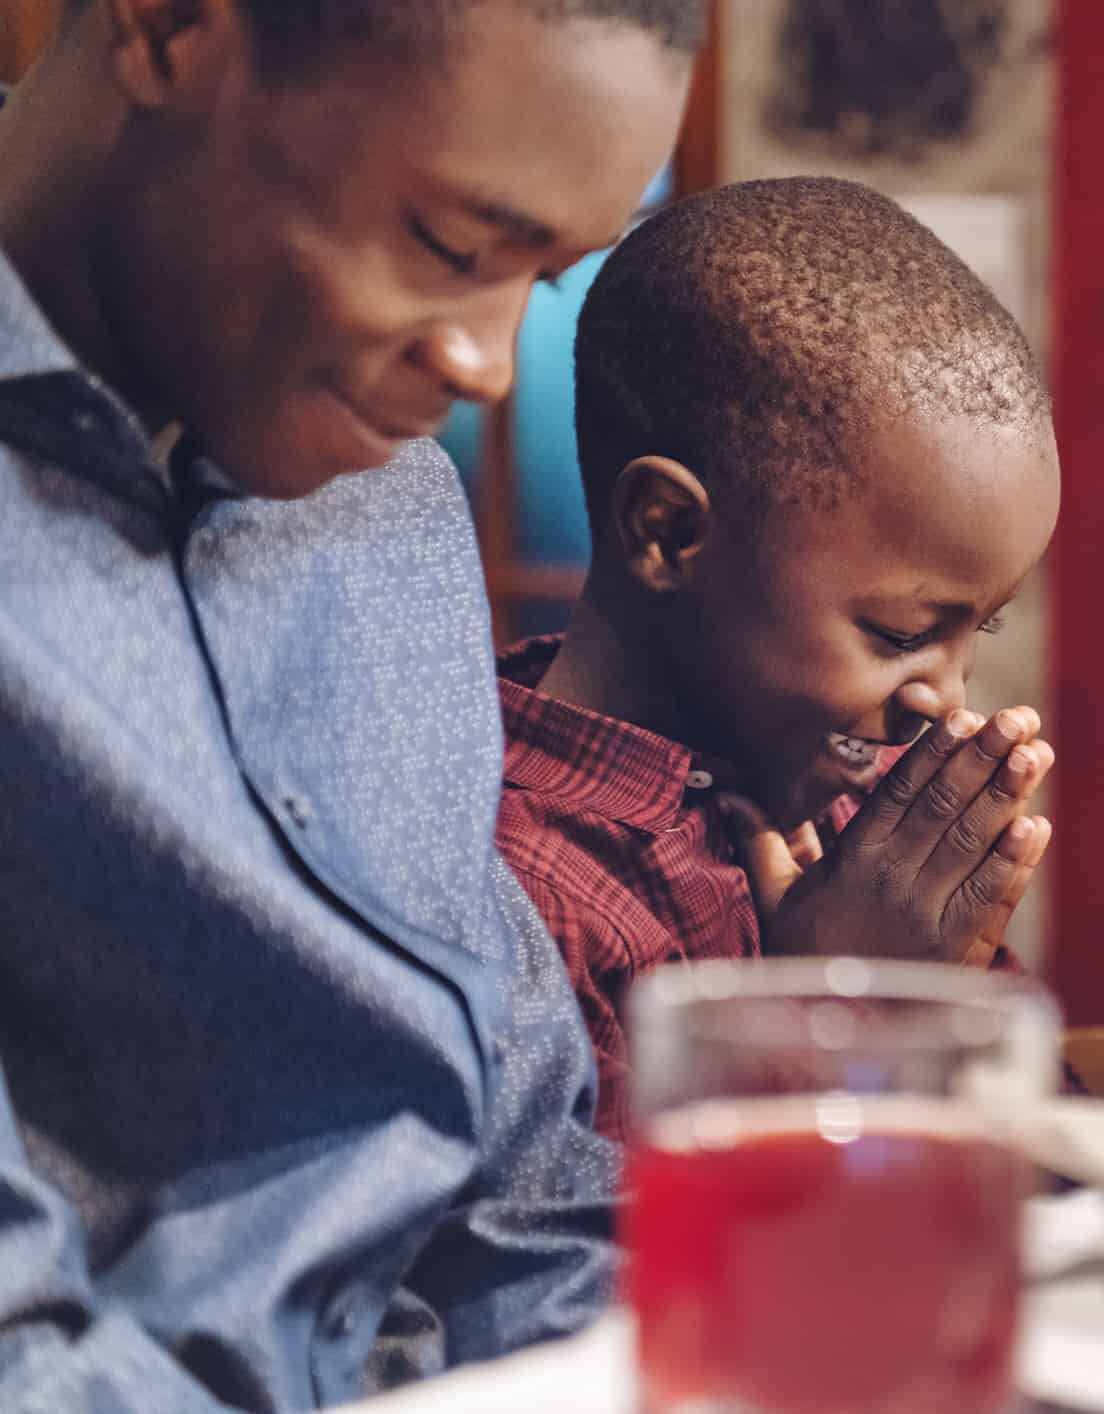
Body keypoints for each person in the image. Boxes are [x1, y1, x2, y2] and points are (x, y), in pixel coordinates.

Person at [0, 2, 704, 1408]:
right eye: (449, 248)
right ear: (171, 27)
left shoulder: (381, 504)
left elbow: (525, 1188)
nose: (487, 366)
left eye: (543, 280)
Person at [493, 178, 1061, 1135]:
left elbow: (1039, 1147)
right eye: (900, 635)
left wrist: (934, 993)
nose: (946, 697)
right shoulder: (524, 894)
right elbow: (612, 1262)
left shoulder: (846, 807)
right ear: (669, 533)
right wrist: (832, 1012)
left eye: (981, 630)